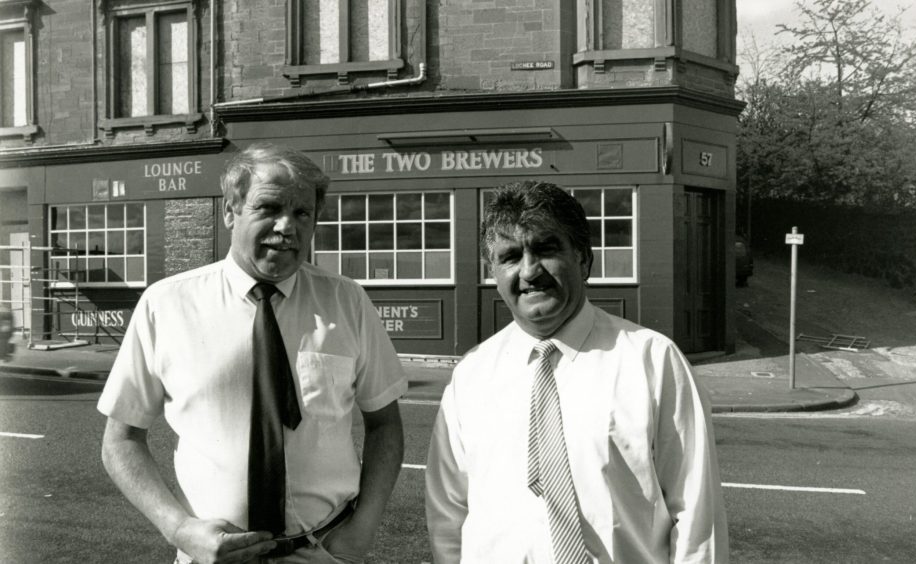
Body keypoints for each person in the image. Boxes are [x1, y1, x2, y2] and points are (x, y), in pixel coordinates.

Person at [99, 143, 407, 564]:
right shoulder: (166, 305)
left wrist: (362, 531)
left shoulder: (347, 302)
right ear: (231, 210)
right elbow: (121, 439)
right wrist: (179, 529)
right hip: (212, 556)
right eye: (269, 208)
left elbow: (385, 425)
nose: (287, 227)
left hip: (324, 551)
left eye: (302, 213)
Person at [425, 181, 728, 563]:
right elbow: (448, 517)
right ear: (494, 271)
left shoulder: (652, 361)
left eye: (546, 249)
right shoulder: (471, 376)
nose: (530, 271)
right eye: (511, 256)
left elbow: (698, 515)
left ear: (585, 260)